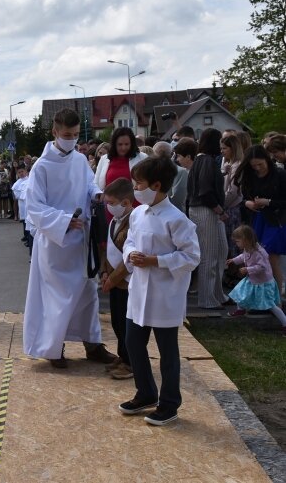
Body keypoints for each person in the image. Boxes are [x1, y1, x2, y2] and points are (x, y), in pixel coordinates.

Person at [22, 108, 116, 368]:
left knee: (88, 293)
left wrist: (97, 194)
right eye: (67, 135)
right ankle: (55, 348)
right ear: (54, 132)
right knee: (57, 297)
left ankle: (93, 345)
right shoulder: (41, 166)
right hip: (55, 243)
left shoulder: (79, 160)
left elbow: (88, 184)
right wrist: (63, 221)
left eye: (75, 135)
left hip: (80, 240)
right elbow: (35, 206)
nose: (72, 140)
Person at [119, 156, 200, 426]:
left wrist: (156, 261)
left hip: (165, 294)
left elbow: (191, 256)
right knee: (133, 343)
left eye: (138, 184)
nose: (135, 189)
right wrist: (131, 254)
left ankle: (169, 403)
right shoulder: (138, 213)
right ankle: (146, 392)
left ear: (156, 185)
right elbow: (130, 241)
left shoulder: (176, 219)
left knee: (167, 352)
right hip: (140, 290)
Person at [233, 145, 286, 297]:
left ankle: (276, 298)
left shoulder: (280, 174)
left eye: (260, 164)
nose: (257, 168)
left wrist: (268, 202)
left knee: (270, 257)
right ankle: (263, 296)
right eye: (254, 165)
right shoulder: (250, 175)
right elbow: (244, 197)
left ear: (267, 160)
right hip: (258, 218)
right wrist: (248, 203)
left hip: (276, 220)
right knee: (258, 258)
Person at [187, 128, 231, 310]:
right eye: (219, 142)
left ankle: (217, 293)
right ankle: (207, 298)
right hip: (205, 211)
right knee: (209, 256)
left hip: (203, 210)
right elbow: (205, 191)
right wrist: (219, 210)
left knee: (221, 250)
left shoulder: (201, 160)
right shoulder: (206, 161)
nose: (221, 147)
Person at [100, 178, 136, 380]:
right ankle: (123, 355)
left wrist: (112, 278)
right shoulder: (115, 220)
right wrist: (105, 272)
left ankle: (131, 362)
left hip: (126, 281)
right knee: (116, 321)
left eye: (112, 202)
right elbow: (109, 249)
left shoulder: (134, 221)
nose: (109, 206)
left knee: (126, 323)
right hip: (113, 280)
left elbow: (128, 259)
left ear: (126, 202)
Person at [225, 225, 286, 334]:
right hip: (253, 279)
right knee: (240, 291)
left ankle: (285, 322)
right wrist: (233, 260)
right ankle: (241, 309)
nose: (236, 244)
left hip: (263, 283)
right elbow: (242, 257)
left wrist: (248, 269)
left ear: (246, 240)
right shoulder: (247, 249)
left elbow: (261, 267)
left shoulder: (259, 252)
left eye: (237, 241)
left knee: (271, 305)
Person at [220, 133, 244, 257]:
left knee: (233, 241)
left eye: (224, 148)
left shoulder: (238, 165)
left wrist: (221, 205)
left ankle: (235, 271)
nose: (222, 151)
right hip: (228, 206)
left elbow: (233, 191)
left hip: (231, 208)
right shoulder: (229, 164)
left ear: (233, 148)